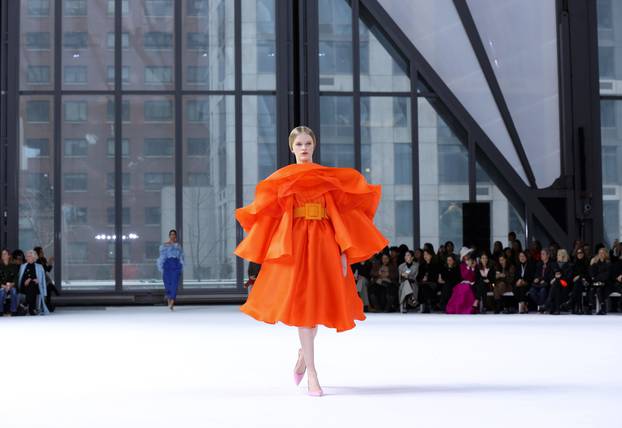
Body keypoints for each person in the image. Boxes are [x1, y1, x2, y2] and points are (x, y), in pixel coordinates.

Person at [233, 126, 388, 397]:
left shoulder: (326, 177)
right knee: (305, 305)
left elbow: (338, 216)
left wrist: (343, 252)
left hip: (324, 243)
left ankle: (303, 357)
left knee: (316, 306)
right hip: (295, 245)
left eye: (308, 143)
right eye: (299, 144)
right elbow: (271, 216)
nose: (304, 148)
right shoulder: (282, 179)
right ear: (291, 147)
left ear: (314, 145)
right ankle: (313, 374)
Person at [157, 229, 184, 311]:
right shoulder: (164, 245)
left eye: (174, 234)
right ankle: (169, 297)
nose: (172, 236)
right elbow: (162, 256)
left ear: (175, 236)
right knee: (167, 283)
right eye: (171, 234)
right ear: (169, 236)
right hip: (167, 265)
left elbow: (181, 256)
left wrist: (181, 264)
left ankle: (172, 300)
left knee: (174, 283)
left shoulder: (178, 246)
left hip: (176, 265)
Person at [446, 247, 477, 314]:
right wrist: (468, 267)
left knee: (466, 288)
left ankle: (466, 308)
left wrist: (473, 268)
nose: (467, 256)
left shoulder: (473, 263)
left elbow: (472, 278)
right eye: (466, 255)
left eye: (468, 254)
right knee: (460, 288)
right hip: (463, 282)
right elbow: (464, 275)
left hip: (471, 283)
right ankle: (458, 307)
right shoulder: (462, 265)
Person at [17, 250, 48, 315]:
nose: (28, 258)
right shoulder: (23, 266)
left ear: (34, 258)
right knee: (31, 285)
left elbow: (42, 280)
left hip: (36, 287)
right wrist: (26, 281)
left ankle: (26, 303)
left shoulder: (39, 267)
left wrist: (36, 280)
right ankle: (32, 308)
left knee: (32, 285)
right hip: (24, 287)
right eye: (27, 256)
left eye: (30, 256)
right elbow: (20, 278)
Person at [528, 248, 556, 313]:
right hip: (539, 284)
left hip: (547, 283)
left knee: (543, 291)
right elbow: (536, 274)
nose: (541, 255)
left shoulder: (552, 263)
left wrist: (543, 279)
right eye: (541, 254)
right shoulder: (539, 264)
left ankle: (542, 307)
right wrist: (536, 278)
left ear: (548, 255)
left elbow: (551, 275)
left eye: (543, 254)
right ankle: (542, 306)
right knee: (531, 291)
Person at [547, 249, 573, 315]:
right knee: (556, 285)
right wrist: (554, 278)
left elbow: (569, 278)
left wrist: (559, 277)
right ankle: (556, 308)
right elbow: (550, 275)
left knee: (557, 283)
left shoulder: (569, 265)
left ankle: (549, 303)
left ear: (564, 256)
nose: (558, 256)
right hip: (555, 284)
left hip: (565, 284)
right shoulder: (553, 264)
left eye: (560, 255)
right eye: (558, 254)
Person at [34, 246, 59, 312]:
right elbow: (42, 270)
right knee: (50, 287)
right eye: (41, 252)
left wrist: (50, 262)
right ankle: (49, 304)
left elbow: (48, 270)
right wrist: (49, 262)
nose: (43, 253)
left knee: (49, 289)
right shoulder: (36, 261)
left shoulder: (43, 259)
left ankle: (48, 305)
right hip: (39, 278)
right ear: (37, 253)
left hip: (44, 278)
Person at [589, 246, 612, 315]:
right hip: (596, 283)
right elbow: (592, 274)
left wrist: (597, 278)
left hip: (606, 283)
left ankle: (603, 308)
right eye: (600, 253)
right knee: (591, 289)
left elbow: (606, 275)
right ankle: (590, 307)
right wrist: (591, 264)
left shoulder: (608, 263)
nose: (601, 254)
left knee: (599, 289)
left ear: (605, 254)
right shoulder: (595, 263)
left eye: (603, 253)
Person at [416, 248, 440, 313]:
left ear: (431, 255)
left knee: (424, 287)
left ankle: (426, 305)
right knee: (423, 286)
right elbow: (418, 277)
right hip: (423, 283)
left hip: (432, 283)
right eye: (424, 254)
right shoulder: (422, 265)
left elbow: (436, 277)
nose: (425, 256)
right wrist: (422, 278)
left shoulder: (435, 265)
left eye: (427, 254)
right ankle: (427, 305)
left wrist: (428, 278)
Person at [0, 249, 19, 316]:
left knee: (13, 291)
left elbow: (16, 278)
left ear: (9, 255)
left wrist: (11, 284)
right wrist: (3, 286)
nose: (3, 255)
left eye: (5, 254)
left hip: (11, 285)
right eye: (2, 254)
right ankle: (1, 311)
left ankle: (13, 311)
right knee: (1, 292)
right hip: (2, 286)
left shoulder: (14, 266)